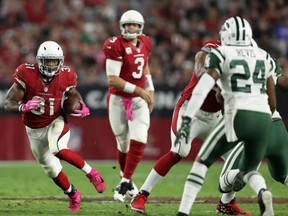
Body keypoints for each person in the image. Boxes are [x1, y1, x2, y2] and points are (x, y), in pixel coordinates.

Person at [176, 16, 275, 216]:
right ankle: (262, 190)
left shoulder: (221, 53)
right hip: (264, 118)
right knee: (247, 168)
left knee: (202, 162)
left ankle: (183, 213)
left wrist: (187, 119)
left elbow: (202, 89)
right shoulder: (263, 55)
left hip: (238, 115)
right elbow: (272, 102)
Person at [4, 41, 106, 212]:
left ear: (60, 61)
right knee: (51, 169)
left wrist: (81, 104)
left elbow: (73, 94)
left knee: (57, 148)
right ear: (39, 61)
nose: (51, 65)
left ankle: (92, 173)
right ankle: (73, 194)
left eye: (54, 61)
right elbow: (8, 103)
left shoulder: (67, 75)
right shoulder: (26, 73)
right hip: (34, 128)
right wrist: (24, 107)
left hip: (55, 120)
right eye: (47, 61)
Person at [130, 39, 224, 213]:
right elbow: (201, 66)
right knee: (180, 150)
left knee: (236, 159)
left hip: (215, 117)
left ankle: (227, 203)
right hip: (191, 111)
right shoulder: (210, 51)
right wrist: (223, 82)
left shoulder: (237, 62)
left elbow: (221, 98)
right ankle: (141, 194)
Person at [217, 57, 288, 215]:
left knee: (224, 182)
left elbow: (220, 97)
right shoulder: (265, 58)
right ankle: (229, 200)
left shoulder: (230, 60)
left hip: (255, 128)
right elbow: (284, 83)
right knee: (283, 174)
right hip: (277, 126)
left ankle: (261, 191)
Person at [102, 9, 155, 202]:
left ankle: (124, 181)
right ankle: (128, 180)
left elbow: (145, 64)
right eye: (127, 24)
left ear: (140, 27)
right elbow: (113, 80)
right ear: (121, 27)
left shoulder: (146, 42)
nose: (130, 28)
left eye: (134, 24)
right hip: (118, 100)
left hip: (138, 101)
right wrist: (141, 91)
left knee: (140, 138)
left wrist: (151, 89)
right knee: (123, 144)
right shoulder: (114, 45)